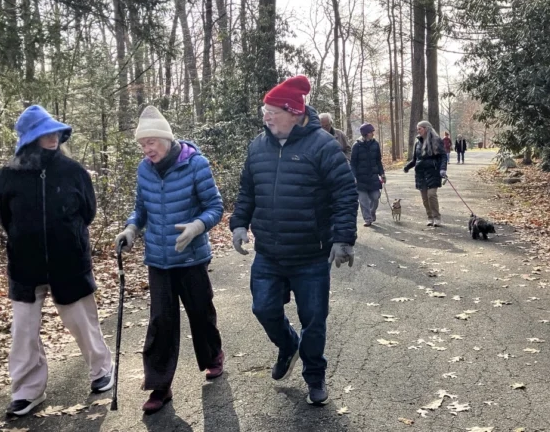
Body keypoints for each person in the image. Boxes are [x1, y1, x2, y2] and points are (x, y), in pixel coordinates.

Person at [230, 75, 357, 406]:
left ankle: (314, 376)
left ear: (295, 112)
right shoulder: (258, 146)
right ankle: (288, 345)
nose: (267, 118)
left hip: (311, 254)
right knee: (263, 308)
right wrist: (239, 223)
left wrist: (343, 238)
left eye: (273, 112)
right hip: (268, 253)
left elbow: (345, 193)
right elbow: (247, 191)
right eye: (265, 112)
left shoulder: (323, 145)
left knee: (313, 319)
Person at [0, 105, 113, 417]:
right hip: (24, 266)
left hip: (69, 262)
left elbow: (88, 212)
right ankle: (27, 391)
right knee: (23, 332)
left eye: (55, 132)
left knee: (82, 322)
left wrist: (67, 235)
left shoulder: (73, 171)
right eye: (45, 133)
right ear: (29, 139)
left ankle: (102, 369)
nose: (53, 137)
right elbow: (5, 218)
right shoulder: (8, 175)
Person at [114, 105, 225, 414]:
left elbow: (215, 206)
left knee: (200, 312)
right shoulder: (144, 169)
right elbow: (141, 208)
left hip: (191, 257)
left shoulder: (195, 164)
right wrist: (131, 228)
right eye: (142, 144)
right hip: (158, 259)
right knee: (161, 321)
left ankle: (213, 355)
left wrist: (197, 226)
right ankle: (159, 386)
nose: (146, 149)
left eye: (151, 142)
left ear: (166, 138)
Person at [403, 121, 448, 227]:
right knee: (424, 198)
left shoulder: (436, 140)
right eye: (417, 129)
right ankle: (430, 217)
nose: (418, 131)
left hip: (433, 172)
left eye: (420, 129)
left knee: (431, 195)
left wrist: (443, 169)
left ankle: (437, 217)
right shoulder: (417, 142)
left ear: (426, 128)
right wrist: (407, 167)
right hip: (420, 173)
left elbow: (443, 156)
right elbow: (415, 159)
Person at [351, 123, 385, 227]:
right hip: (360, 179)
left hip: (373, 177)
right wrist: (353, 176)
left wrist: (382, 173)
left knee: (375, 197)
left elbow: (378, 161)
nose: (373, 134)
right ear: (365, 134)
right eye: (371, 132)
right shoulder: (356, 145)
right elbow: (353, 163)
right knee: (363, 201)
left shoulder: (375, 144)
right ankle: (367, 219)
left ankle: (372, 212)